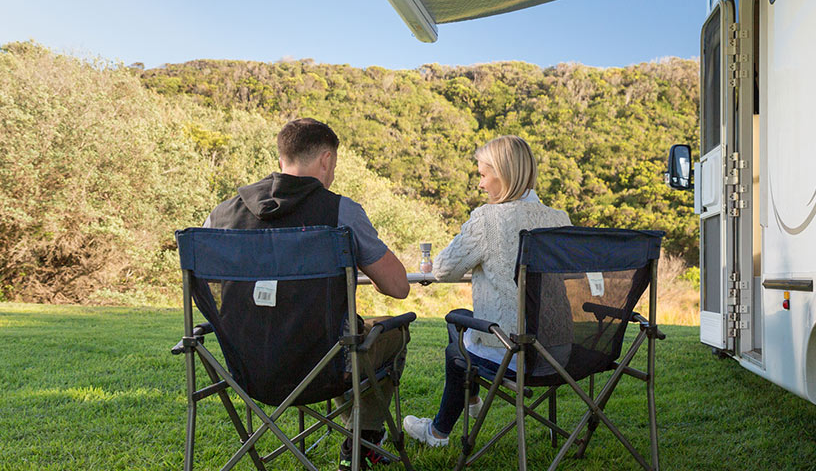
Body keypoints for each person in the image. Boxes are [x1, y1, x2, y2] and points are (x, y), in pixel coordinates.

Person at [203, 118, 410, 470]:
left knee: (353, 335)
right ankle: (362, 441)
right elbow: (398, 287)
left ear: (282, 156)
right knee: (393, 331)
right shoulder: (340, 211)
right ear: (326, 160)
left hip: (246, 370)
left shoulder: (222, 214)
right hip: (324, 368)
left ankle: (356, 435)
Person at [402, 135, 571, 447]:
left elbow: (442, 269)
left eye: (482, 174)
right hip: (560, 352)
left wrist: (478, 258)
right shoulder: (560, 219)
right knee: (461, 321)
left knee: (456, 351)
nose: (480, 184)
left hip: (516, 354)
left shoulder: (488, 218)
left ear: (503, 174)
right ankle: (472, 398)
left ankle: (439, 431)